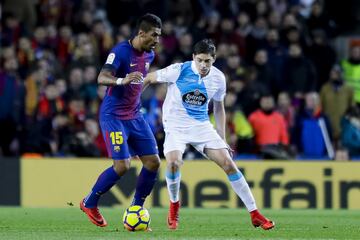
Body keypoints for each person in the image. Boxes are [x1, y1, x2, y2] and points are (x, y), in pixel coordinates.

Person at [135, 39, 274, 230]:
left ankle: (255, 213)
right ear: (193, 57)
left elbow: (219, 108)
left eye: (207, 61)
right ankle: (174, 206)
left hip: (201, 126)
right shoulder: (179, 70)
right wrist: (133, 103)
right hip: (175, 126)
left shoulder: (218, 78)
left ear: (214, 59)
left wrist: (222, 138)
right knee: (174, 162)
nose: (203, 65)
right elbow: (150, 77)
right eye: (200, 60)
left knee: (228, 163)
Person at [80, 13, 162, 227]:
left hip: (135, 115)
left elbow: (139, 81)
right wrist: (121, 80)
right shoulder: (120, 52)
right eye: (154, 35)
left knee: (153, 162)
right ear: (141, 33)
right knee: (123, 165)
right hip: (113, 116)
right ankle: (89, 202)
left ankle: (136, 207)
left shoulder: (150, 55)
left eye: (160, 36)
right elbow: (101, 78)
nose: (157, 40)